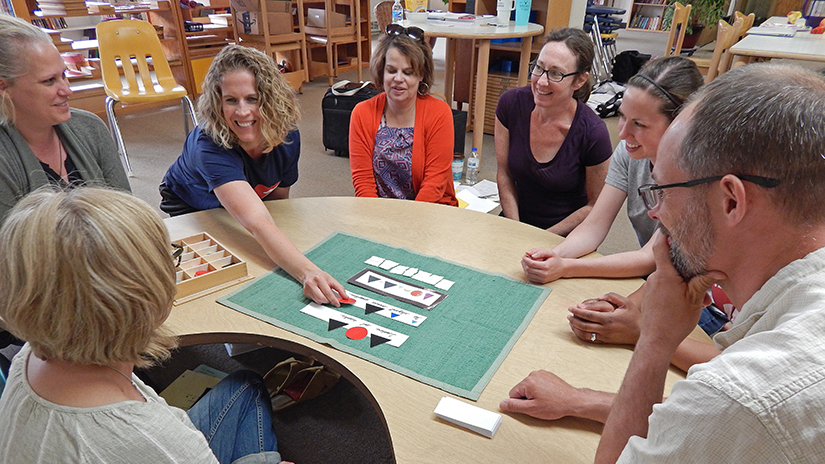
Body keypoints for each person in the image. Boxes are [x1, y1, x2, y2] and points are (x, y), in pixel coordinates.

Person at [501, 63, 825, 463]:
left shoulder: (740, 397)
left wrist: (654, 340)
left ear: (731, 201)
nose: (655, 214)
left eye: (664, 191)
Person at [0, 187, 291, 464]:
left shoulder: (29, 356)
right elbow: (155, 444)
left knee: (246, 385)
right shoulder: (157, 440)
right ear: (147, 297)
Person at [160, 44, 347, 307]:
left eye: (252, 98)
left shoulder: (287, 136)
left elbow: (280, 206)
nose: (243, 112)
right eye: (230, 100)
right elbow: (257, 222)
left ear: (269, 99)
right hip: (192, 206)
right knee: (226, 270)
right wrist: (308, 272)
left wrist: (292, 254)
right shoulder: (208, 145)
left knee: (274, 253)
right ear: (217, 102)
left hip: (250, 204)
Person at [520, 56, 703, 283]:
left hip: (690, 288)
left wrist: (566, 267)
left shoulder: (696, 173)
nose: (623, 134)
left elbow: (650, 256)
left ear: (678, 125)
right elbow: (594, 226)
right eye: (623, 117)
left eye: (639, 124)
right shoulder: (631, 152)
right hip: (655, 277)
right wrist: (554, 255)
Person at [0, 14, 130, 225]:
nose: (67, 90)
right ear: (4, 88)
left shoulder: (90, 128)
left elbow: (127, 214)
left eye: (64, 75)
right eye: (49, 81)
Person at [495, 28, 612, 235]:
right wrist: (515, 230)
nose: (541, 81)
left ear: (579, 80)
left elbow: (594, 205)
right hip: (514, 223)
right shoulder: (510, 104)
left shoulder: (593, 133)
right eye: (539, 68)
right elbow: (504, 173)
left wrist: (543, 240)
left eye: (556, 73)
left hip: (561, 235)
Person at [349, 24, 457, 206]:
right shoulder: (362, 113)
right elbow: (363, 182)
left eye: (408, 72)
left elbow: (434, 185)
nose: (398, 79)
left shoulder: (439, 113)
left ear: (421, 75)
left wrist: (406, 227)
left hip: (430, 210)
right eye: (391, 70)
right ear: (382, 70)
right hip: (379, 212)